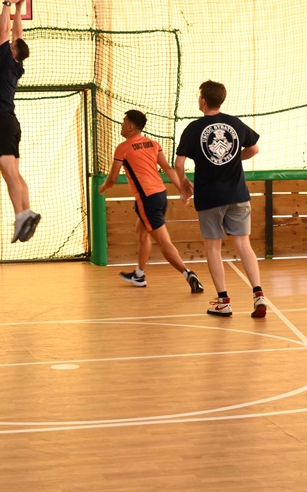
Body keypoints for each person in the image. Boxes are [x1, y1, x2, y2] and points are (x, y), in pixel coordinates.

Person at [174, 80, 268, 318]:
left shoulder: (193, 128)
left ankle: (224, 301)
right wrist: (234, 158)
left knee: (213, 248)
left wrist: (184, 184)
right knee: (243, 245)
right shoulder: (234, 124)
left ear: (203, 100)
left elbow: (178, 163)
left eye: (199, 96)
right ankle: (258, 295)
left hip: (209, 196)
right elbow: (254, 149)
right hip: (237, 193)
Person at [98, 110, 204, 293]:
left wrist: (104, 187)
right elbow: (169, 170)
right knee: (142, 232)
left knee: (164, 242)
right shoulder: (153, 144)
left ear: (130, 127)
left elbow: (113, 178)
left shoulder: (123, 148)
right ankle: (139, 275)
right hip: (160, 195)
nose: (121, 125)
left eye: (123, 122)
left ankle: (189, 274)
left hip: (147, 199)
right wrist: (181, 190)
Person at [0, 0, 40, 243]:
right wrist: (21, 7)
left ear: (13, 51)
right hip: (11, 124)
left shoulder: (8, 59)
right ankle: (26, 211)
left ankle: (21, 216)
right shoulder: (17, 64)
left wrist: (7, 3)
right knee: (14, 174)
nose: (10, 43)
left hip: (2, 124)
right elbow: (17, 34)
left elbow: (5, 29)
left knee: (10, 174)